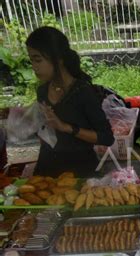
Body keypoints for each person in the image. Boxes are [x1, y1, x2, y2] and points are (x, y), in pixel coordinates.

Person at [25, 27, 114, 177]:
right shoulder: (42, 91)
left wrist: (66, 127)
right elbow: (46, 132)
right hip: (46, 171)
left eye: (38, 60)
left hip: (80, 173)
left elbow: (106, 138)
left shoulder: (83, 92)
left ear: (58, 59)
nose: (34, 67)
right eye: (31, 60)